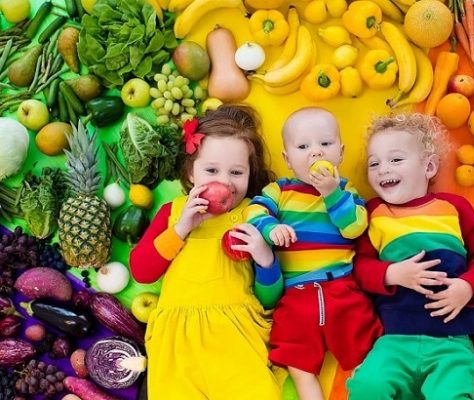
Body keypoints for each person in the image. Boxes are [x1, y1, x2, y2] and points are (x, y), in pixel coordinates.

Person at [129, 105, 283, 400]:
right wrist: (181, 229)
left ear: (250, 174)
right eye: (211, 170)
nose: (224, 181)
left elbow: (269, 299)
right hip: (178, 341)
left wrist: (266, 259)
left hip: (235, 334)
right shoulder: (174, 212)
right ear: (191, 171)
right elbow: (142, 271)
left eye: (236, 172)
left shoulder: (253, 213)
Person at [346, 112, 474, 400]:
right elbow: (360, 265)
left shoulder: (454, 207)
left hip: (451, 339)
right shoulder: (373, 213)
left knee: (453, 394)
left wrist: (468, 287)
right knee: (367, 387)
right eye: (374, 163)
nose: (383, 169)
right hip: (394, 339)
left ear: (428, 166)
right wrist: (391, 273)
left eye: (395, 159)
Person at [245, 107, 383, 400]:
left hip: (342, 291)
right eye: (303, 146)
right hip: (297, 296)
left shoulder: (346, 191)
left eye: (325, 144)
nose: (316, 152)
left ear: (340, 153)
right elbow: (253, 212)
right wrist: (271, 228)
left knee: (368, 351)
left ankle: (369, 388)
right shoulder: (279, 191)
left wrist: (332, 194)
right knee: (298, 363)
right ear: (287, 159)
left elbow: (355, 228)